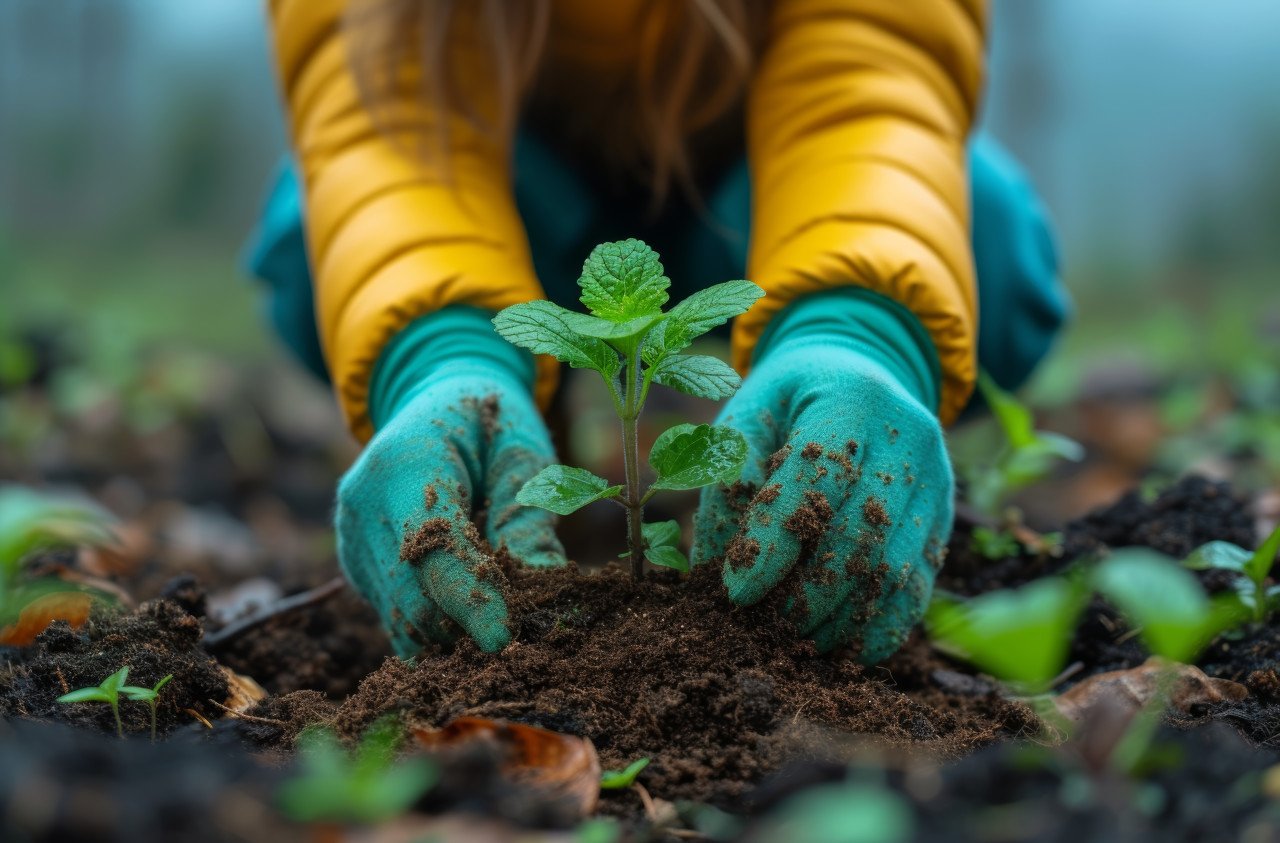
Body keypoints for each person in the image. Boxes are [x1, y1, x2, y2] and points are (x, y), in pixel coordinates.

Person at [247, 0, 1069, 663]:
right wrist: (437, 355)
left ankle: (822, 390)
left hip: (765, 176)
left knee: (986, 231)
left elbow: (873, 68)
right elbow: (382, 126)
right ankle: (499, 412)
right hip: (509, 183)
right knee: (310, 237)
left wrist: (859, 326)